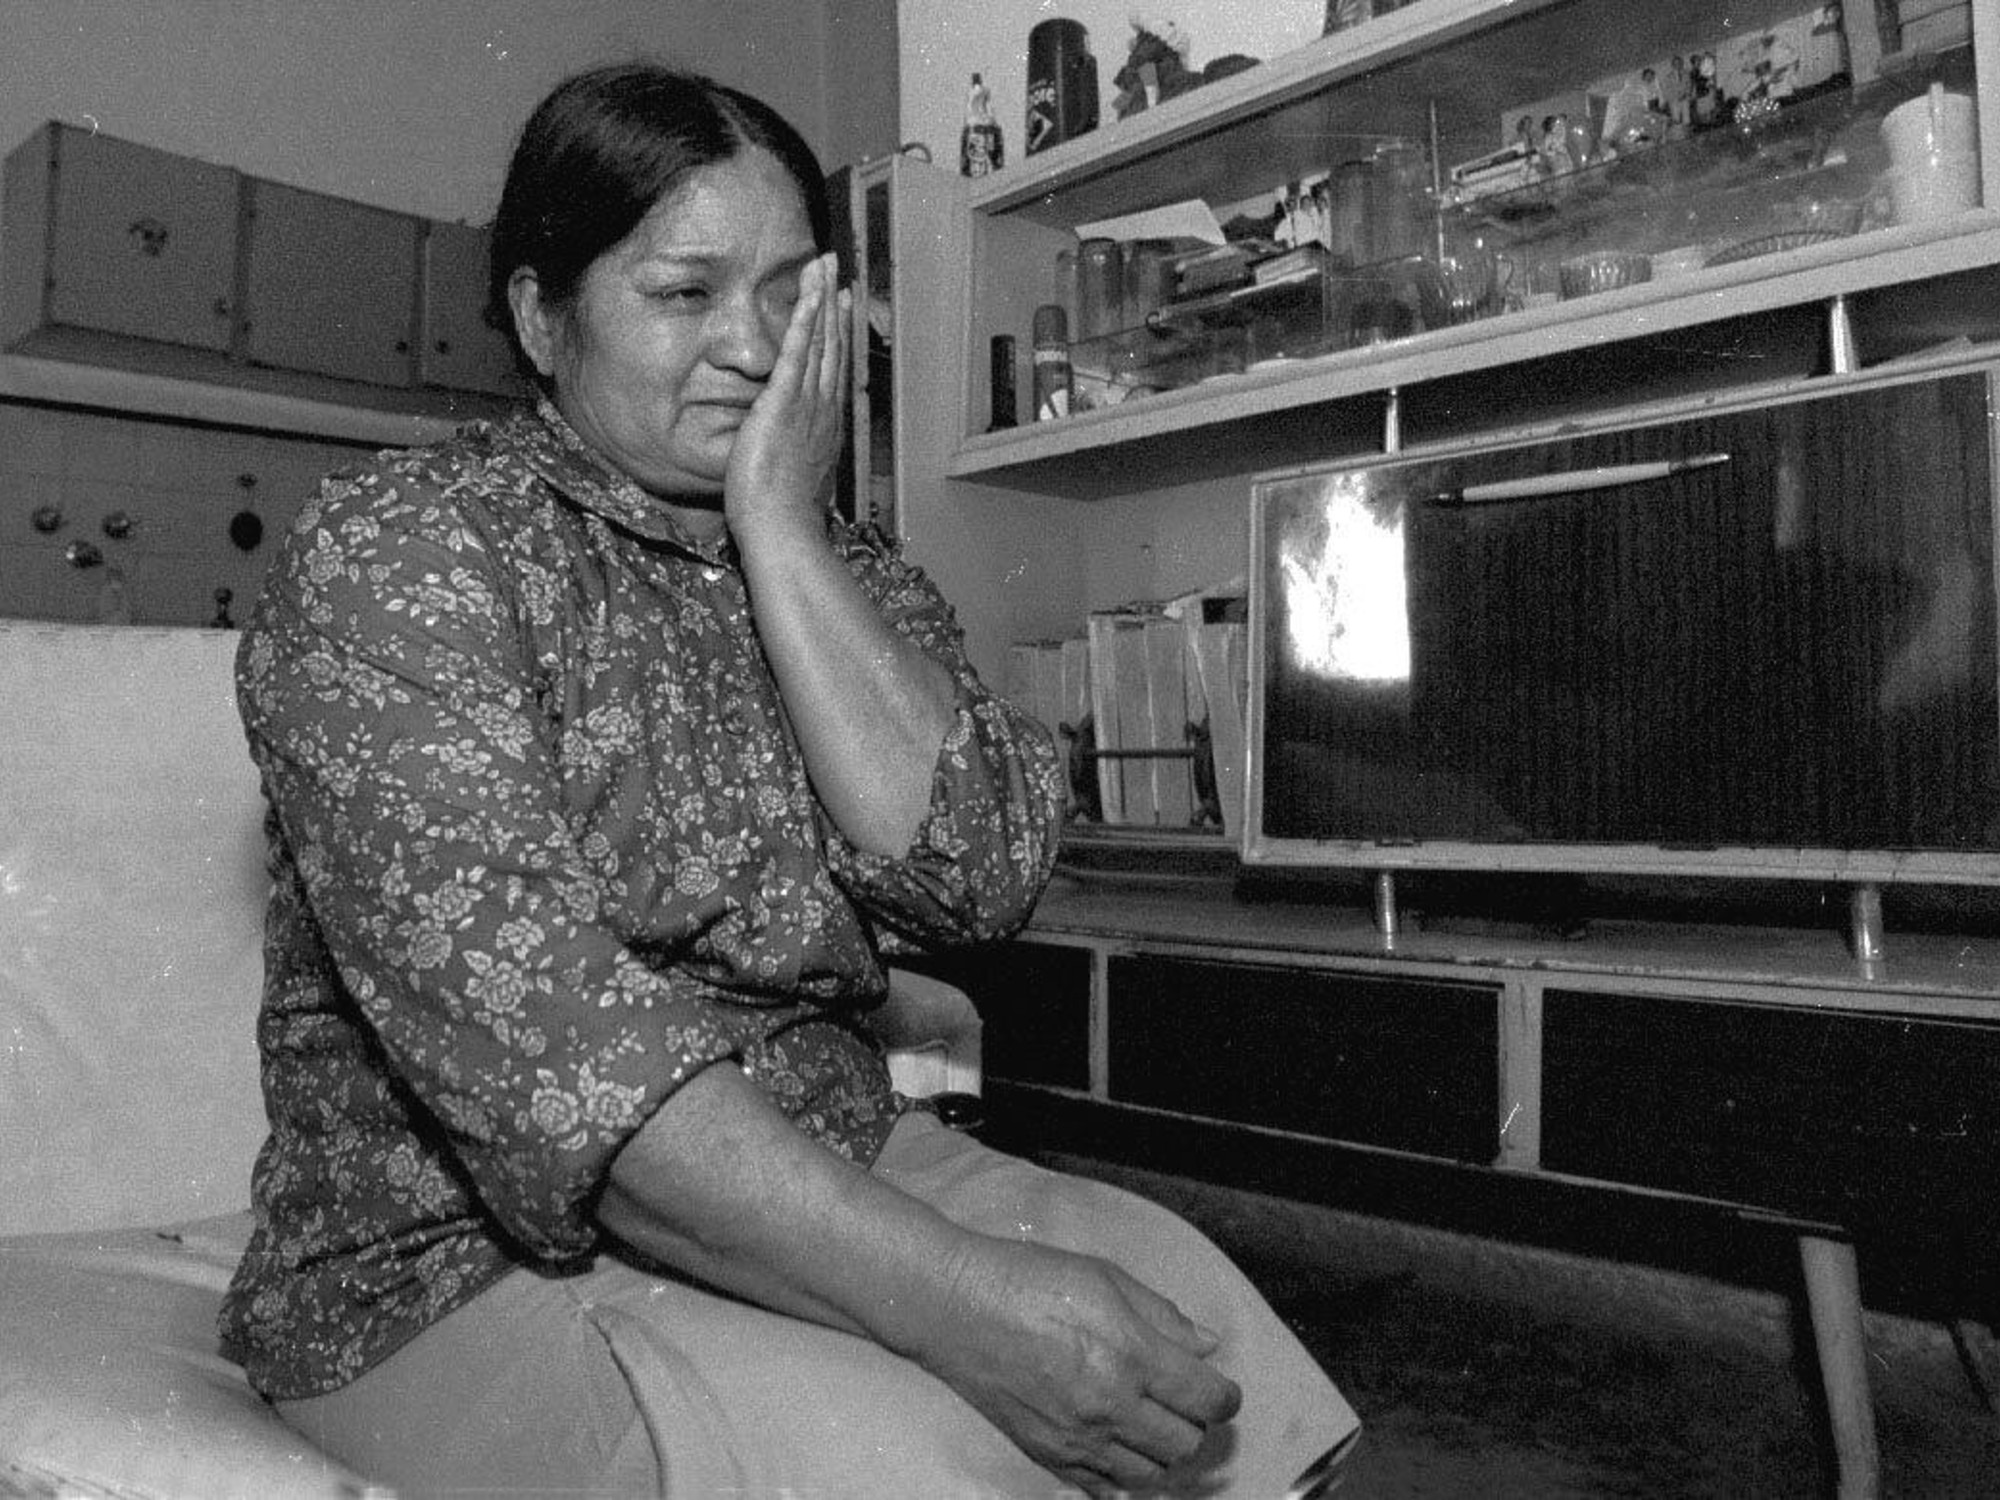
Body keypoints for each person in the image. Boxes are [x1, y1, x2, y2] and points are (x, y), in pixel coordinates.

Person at [218, 60, 1357, 1499]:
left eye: (787, 295)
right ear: (541, 316)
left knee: (1203, 1343)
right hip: (454, 1256)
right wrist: (958, 1304)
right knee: (914, 1455)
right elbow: (558, 1062)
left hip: (836, 1152)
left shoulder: (843, 563)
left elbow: (983, 876)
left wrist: (784, 536)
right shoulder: (401, 552)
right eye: (684, 294)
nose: (754, 349)